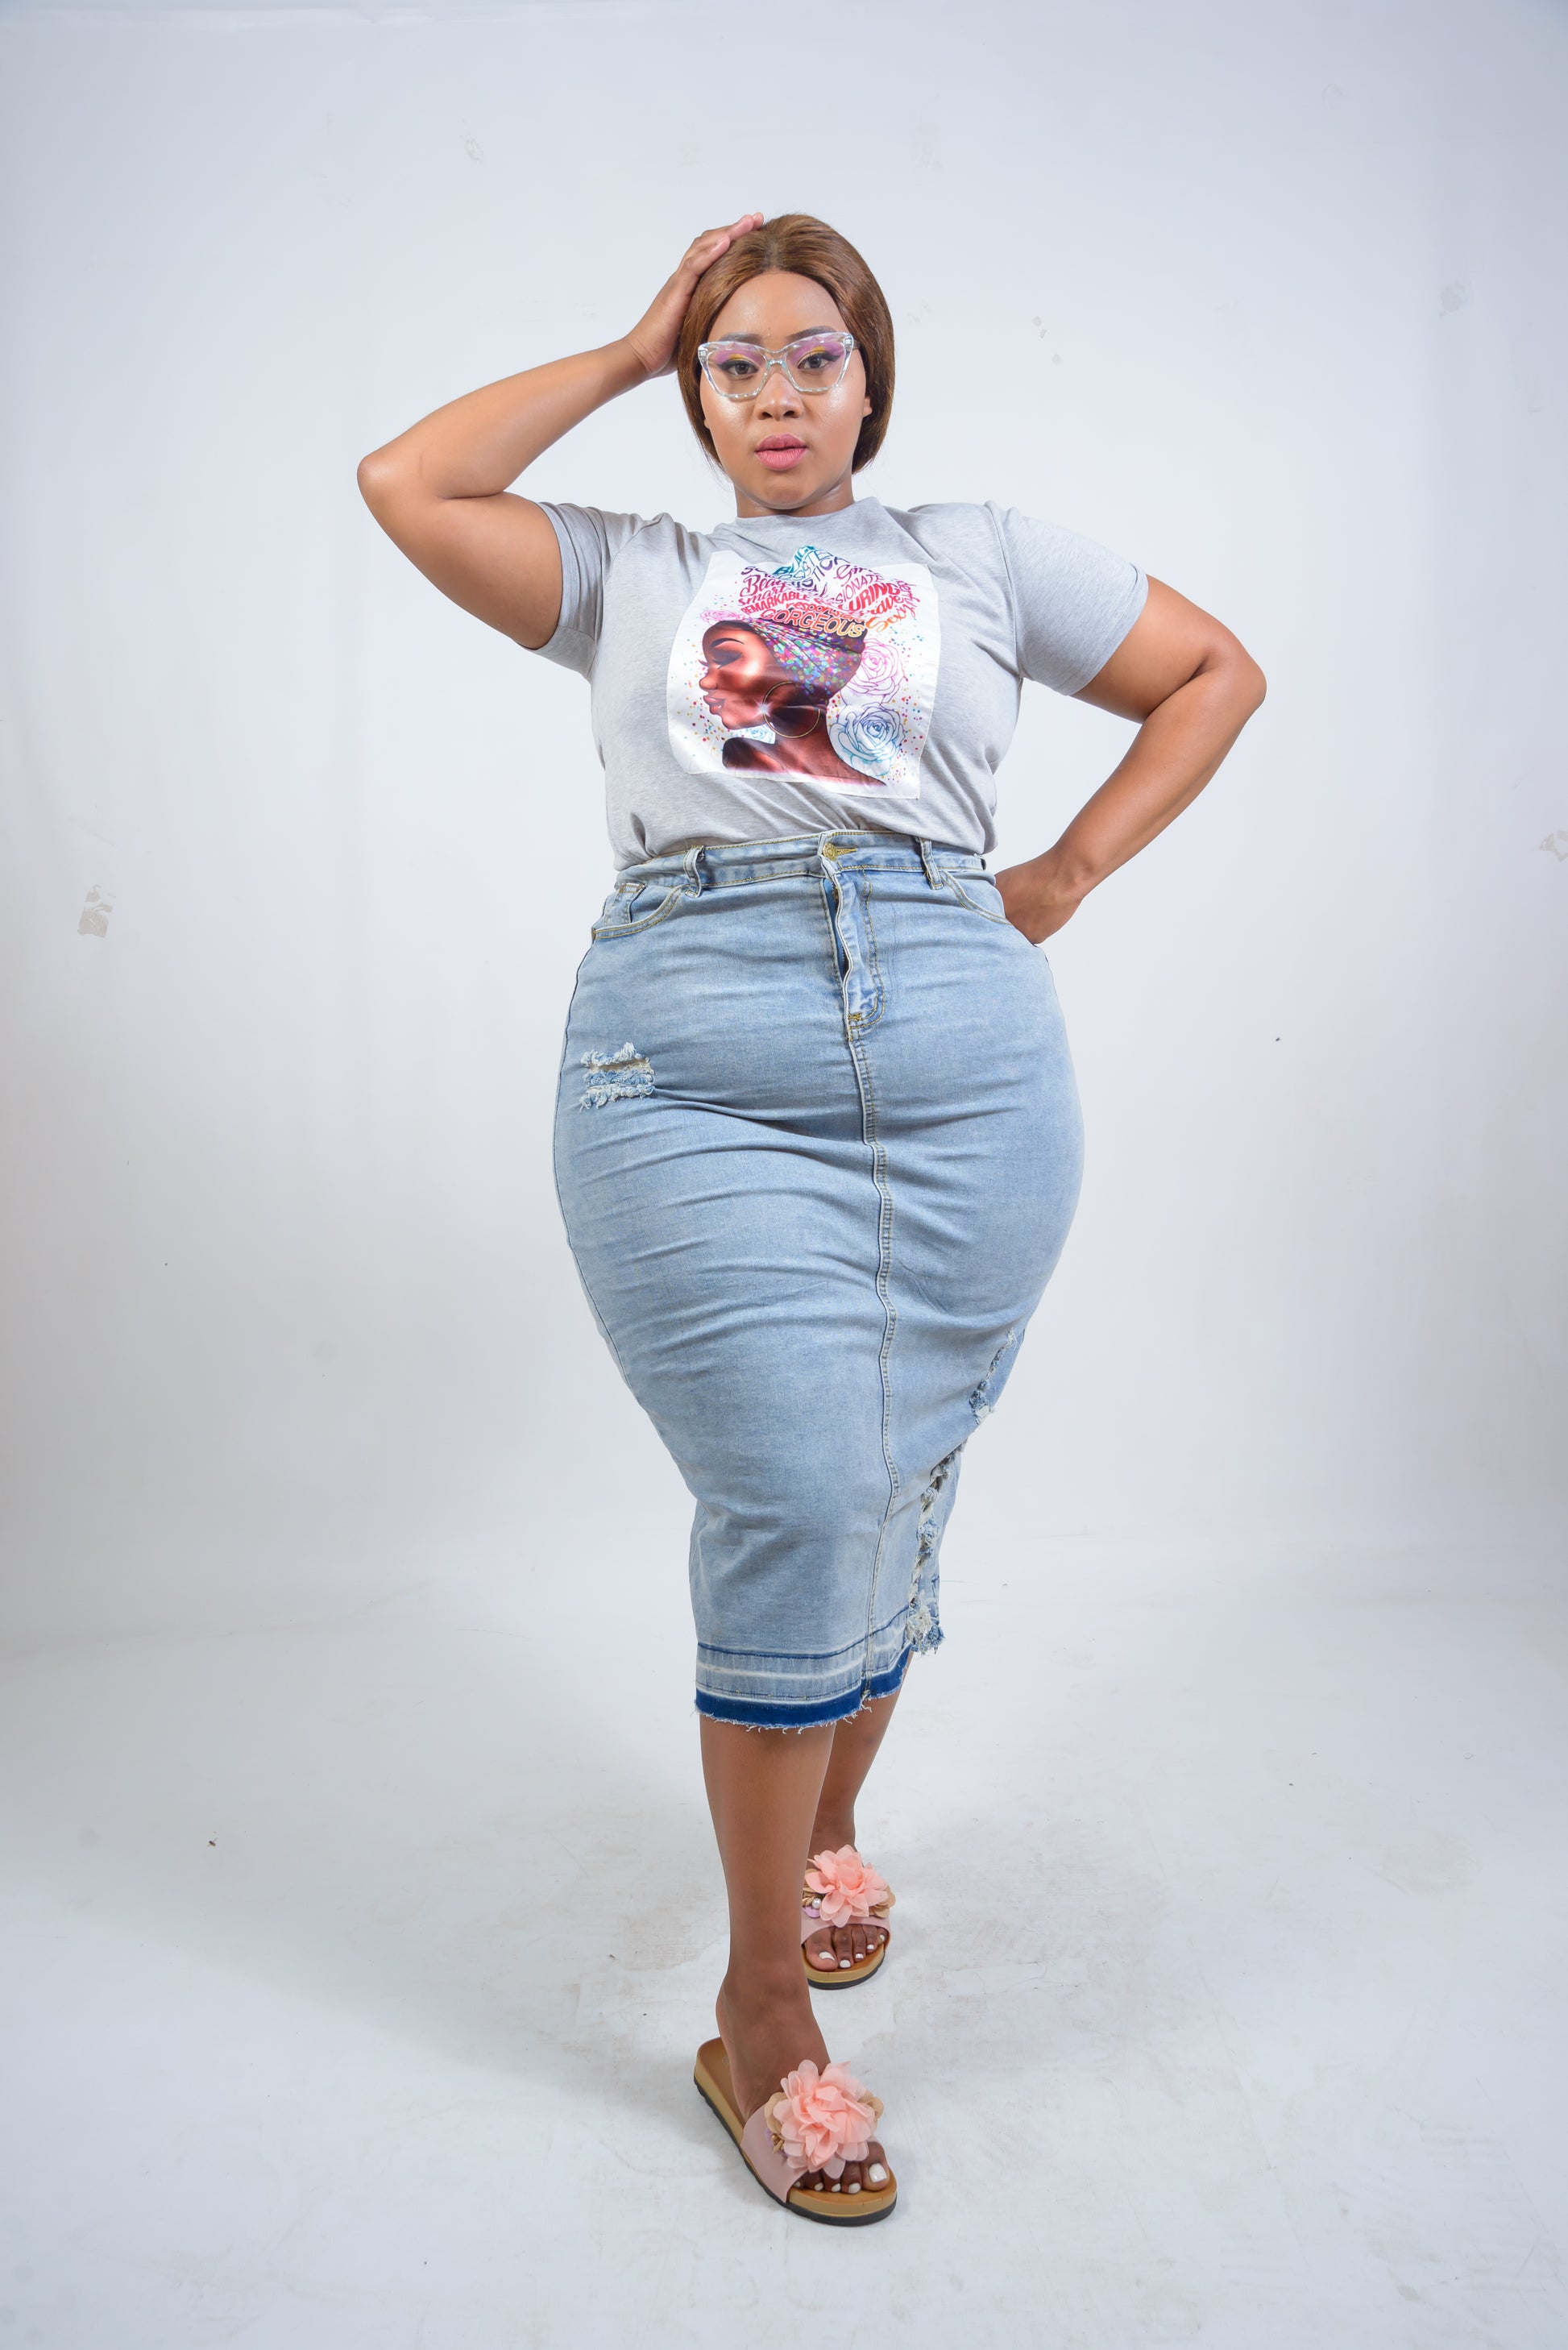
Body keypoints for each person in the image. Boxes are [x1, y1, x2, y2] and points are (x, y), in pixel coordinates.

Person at [358, 210, 1265, 2223]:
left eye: (814, 355)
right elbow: (407, 483)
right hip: (692, 1061)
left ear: (872, 381)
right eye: (734, 362)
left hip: (965, 1063)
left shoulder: (978, 555)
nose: (776, 393)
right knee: (795, 1481)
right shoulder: (630, 575)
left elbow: (1214, 673)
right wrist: (624, 343)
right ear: (698, 399)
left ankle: (830, 1833)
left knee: (902, 1472)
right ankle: (760, 2009)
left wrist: (1063, 875)